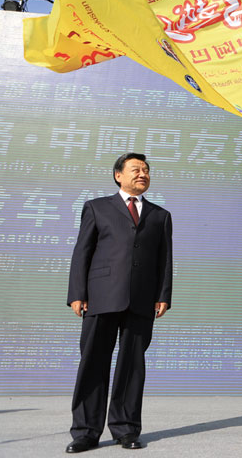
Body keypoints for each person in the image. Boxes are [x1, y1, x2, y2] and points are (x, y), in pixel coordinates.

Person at [65, 153, 173, 453]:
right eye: (136, 169)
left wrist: (163, 295)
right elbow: (82, 252)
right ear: (118, 175)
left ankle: (126, 428)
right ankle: (86, 431)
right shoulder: (97, 207)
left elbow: (165, 259)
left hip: (141, 300)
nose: (143, 174)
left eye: (146, 170)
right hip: (101, 297)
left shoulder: (160, 215)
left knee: (132, 366)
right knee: (93, 363)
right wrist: (77, 293)